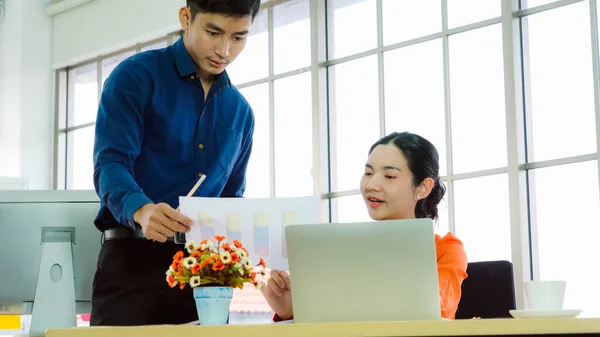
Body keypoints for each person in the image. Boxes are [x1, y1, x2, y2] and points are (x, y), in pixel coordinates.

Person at [90, 0, 261, 326]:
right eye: (214, 32)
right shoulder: (135, 77)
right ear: (186, 18)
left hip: (205, 278)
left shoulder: (241, 113)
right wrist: (142, 211)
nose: (224, 49)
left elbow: (230, 201)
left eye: (239, 37)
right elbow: (110, 164)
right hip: (132, 266)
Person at [261, 131, 469, 321]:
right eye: (368, 173)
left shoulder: (446, 250)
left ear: (422, 188)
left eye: (389, 176)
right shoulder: (341, 250)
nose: (371, 185)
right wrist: (291, 311)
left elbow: (433, 311)